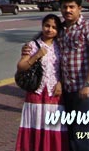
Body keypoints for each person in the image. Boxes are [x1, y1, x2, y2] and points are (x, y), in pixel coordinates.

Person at [22, 0, 89, 151]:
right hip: (66, 89)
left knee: (82, 131)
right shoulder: (62, 30)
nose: (68, 10)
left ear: (80, 8)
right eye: (65, 7)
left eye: (72, 7)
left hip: (84, 87)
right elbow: (47, 40)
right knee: (70, 131)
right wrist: (29, 47)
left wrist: (88, 83)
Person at [15, 14, 68, 151]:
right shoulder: (32, 45)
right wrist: (36, 56)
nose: (50, 30)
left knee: (54, 126)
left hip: (54, 93)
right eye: (47, 26)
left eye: (54, 27)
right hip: (37, 92)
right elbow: (21, 66)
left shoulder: (61, 46)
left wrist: (61, 83)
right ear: (42, 26)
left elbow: (64, 68)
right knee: (35, 124)